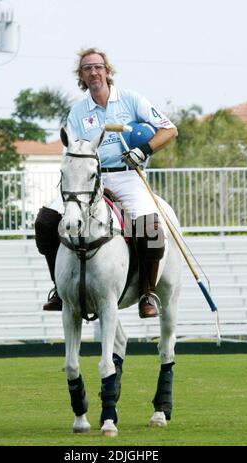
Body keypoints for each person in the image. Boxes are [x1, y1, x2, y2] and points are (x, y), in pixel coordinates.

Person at [35, 47, 177, 318]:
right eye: (87, 68)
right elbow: (72, 153)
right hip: (90, 181)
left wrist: (143, 150)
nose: (93, 72)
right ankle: (59, 289)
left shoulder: (131, 100)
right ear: (82, 76)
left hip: (128, 174)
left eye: (98, 66)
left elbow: (169, 129)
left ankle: (148, 292)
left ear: (107, 71)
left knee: (151, 227)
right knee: (45, 222)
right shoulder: (78, 112)